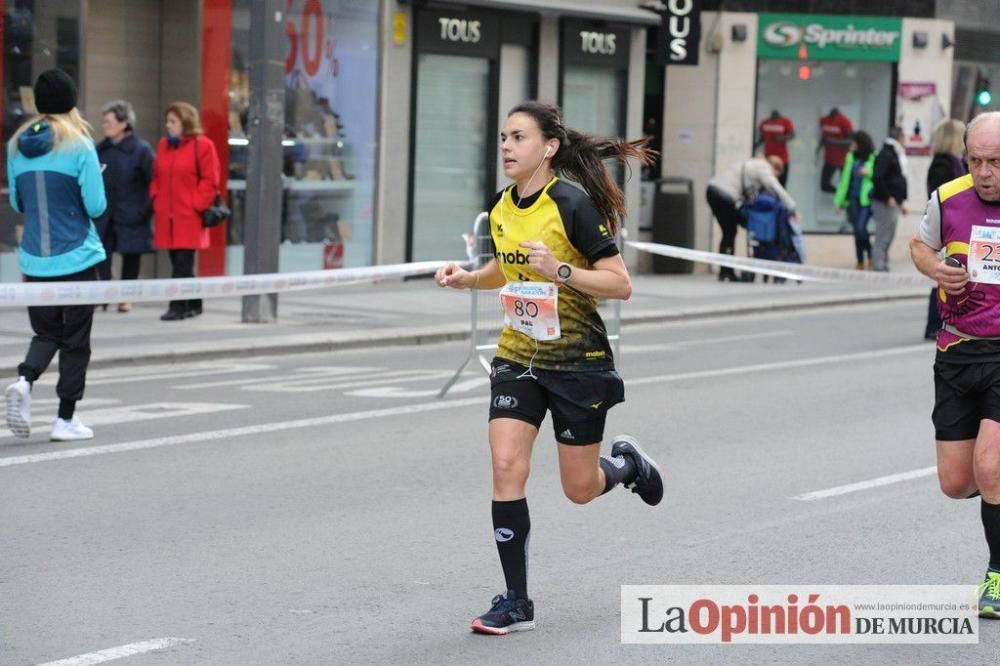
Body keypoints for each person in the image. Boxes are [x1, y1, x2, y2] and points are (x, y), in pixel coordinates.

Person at [434, 101, 664, 635]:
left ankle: (628, 467)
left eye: (518, 137)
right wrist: (467, 278)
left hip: (577, 361)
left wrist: (559, 269)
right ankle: (516, 601)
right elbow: (503, 268)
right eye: (503, 137)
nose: (507, 148)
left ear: (549, 147)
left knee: (579, 488)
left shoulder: (572, 204)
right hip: (519, 354)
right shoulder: (500, 207)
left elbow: (620, 283)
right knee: (506, 467)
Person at [909, 111, 1000, 618]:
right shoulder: (947, 199)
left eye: (996, 162)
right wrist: (934, 267)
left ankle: (998, 577)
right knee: (958, 482)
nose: (985, 172)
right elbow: (919, 245)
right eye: (976, 160)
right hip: (958, 350)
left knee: (992, 469)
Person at [4, 69, 107, 441]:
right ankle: (64, 419)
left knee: (45, 332)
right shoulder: (79, 145)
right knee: (76, 339)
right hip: (78, 256)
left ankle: (25, 380)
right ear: (71, 102)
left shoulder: (16, 146)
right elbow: (96, 206)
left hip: (35, 259)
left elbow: (18, 202)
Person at [150, 101, 220, 320]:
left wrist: (196, 204)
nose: (168, 126)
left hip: (188, 216)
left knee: (182, 263)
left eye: (173, 121)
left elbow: (211, 180)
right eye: (167, 121)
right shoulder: (164, 145)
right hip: (167, 215)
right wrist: (156, 198)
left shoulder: (203, 145)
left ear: (185, 123)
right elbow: (157, 176)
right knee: (179, 262)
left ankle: (178, 307)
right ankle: (194, 304)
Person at [96, 100, 155, 312]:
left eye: (109, 121)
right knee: (101, 254)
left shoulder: (141, 151)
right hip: (105, 213)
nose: (105, 125)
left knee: (131, 255)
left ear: (124, 123)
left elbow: (154, 183)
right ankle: (101, 295)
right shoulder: (100, 150)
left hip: (132, 212)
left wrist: (144, 210)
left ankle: (126, 297)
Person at [706, 154, 798, 281]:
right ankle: (727, 271)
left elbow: (748, 192)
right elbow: (775, 187)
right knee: (730, 232)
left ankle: (725, 271)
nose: (775, 177)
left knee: (728, 232)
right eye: (776, 174)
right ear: (774, 168)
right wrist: (792, 207)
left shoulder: (752, 164)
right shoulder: (763, 167)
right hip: (724, 196)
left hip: (713, 191)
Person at [922, 119, 968, 340]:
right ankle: (934, 323)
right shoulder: (943, 165)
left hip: (957, 228)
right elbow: (942, 198)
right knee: (942, 275)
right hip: (946, 228)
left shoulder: (958, 163)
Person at [834, 131, 876, 270]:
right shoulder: (851, 157)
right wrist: (838, 202)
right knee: (856, 232)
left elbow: (877, 176)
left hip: (866, 200)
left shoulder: (873, 156)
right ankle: (860, 261)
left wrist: (868, 172)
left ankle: (870, 255)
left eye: (855, 143)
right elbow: (844, 180)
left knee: (860, 228)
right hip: (852, 199)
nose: (852, 145)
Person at [869, 126, 909, 271]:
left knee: (889, 234)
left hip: (893, 201)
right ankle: (878, 264)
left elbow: (899, 179)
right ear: (900, 137)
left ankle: (883, 262)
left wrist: (901, 201)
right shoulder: (887, 154)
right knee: (883, 234)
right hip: (884, 202)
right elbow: (878, 177)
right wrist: (887, 197)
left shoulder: (895, 154)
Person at [818, 108, 854, 193]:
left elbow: (849, 142)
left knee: (846, 185)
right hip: (830, 158)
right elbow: (823, 136)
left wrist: (832, 141)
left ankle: (842, 197)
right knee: (824, 185)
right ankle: (838, 193)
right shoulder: (823, 120)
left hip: (843, 158)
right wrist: (818, 149)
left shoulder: (845, 121)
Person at [755, 109, 795, 186]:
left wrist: (783, 138)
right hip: (768, 158)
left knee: (781, 184)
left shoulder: (785, 122)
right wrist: (755, 145)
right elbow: (762, 138)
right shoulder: (764, 122)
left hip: (782, 159)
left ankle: (779, 198)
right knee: (767, 183)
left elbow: (792, 135)